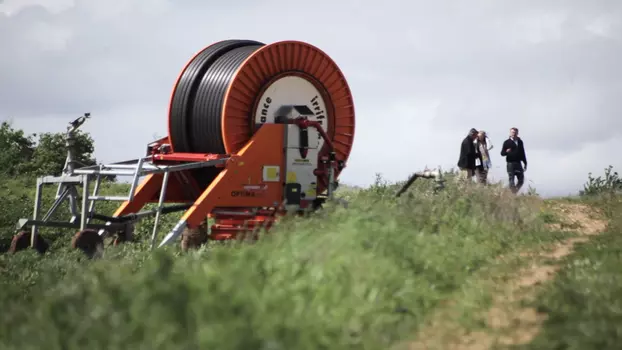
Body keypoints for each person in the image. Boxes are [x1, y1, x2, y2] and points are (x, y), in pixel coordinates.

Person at [500, 127, 527, 193]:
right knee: (511, 179)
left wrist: (525, 162)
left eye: (515, 132)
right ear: (510, 133)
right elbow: (502, 153)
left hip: (518, 163)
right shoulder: (506, 142)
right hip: (510, 163)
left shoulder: (520, 142)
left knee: (521, 180)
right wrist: (506, 152)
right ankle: (512, 194)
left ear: (517, 133)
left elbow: (522, 152)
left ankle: (514, 192)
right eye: (512, 132)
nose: (513, 134)